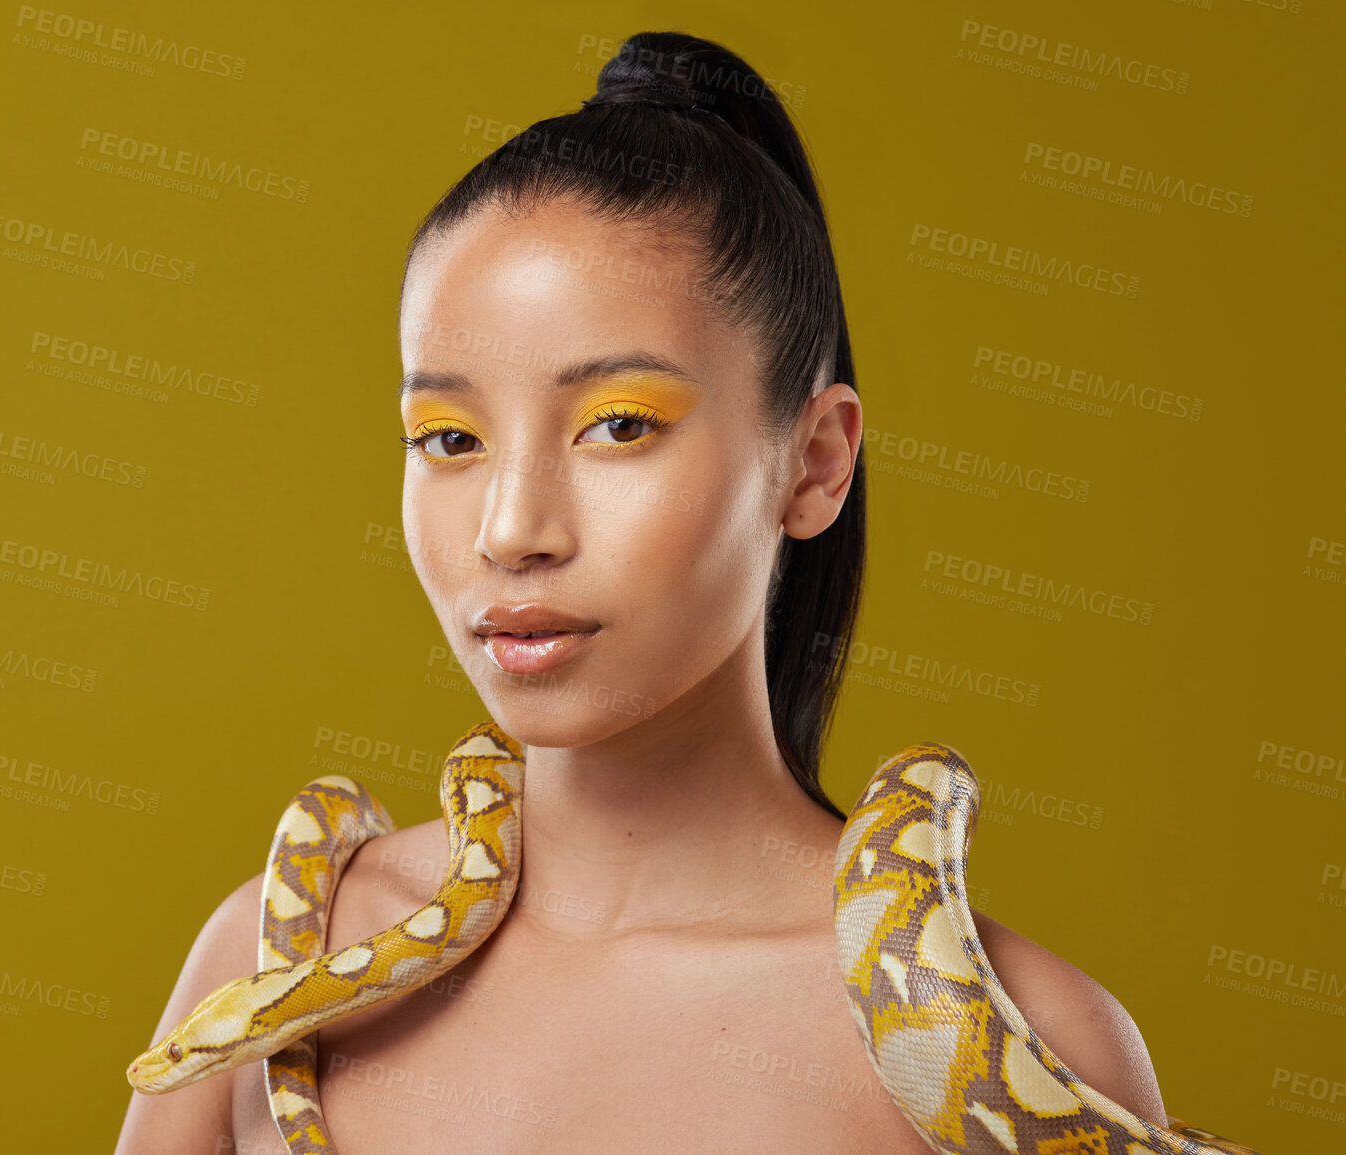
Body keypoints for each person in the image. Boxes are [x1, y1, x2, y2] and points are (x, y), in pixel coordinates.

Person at [115, 30, 1166, 1153]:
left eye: (621, 425)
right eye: (449, 437)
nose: (511, 530)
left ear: (815, 462)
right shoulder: (277, 959)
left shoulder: (1025, 1042)